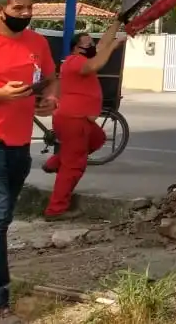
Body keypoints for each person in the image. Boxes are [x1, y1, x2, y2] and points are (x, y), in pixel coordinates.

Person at [0, 0, 58, 322]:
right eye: (17, 9)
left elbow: (51, 78)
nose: (25, 14)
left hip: (19, 142)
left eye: (29, 8)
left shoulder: (37, 43)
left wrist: (50, 98)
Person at [42, 19, 122, 220]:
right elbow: (98, 60)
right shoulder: (77, 62)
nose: (91, 46)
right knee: (74, 166)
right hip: (74, 120)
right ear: (76, 48)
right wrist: (113, 46)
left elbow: (101, 44)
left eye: (90, 43)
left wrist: (117, 23)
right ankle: (56, 209)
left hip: (78, 120)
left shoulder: (79, 60)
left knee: (97, 139)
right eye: (86, 44)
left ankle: (55, 162)